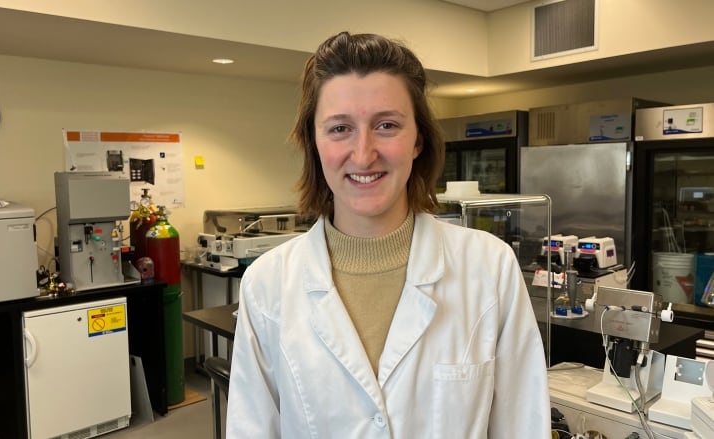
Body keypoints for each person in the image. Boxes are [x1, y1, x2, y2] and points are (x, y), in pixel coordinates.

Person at [226, 31, 550, 438]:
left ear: (418, 140)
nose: (363, 154)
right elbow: (251, 429)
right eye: (340, 128)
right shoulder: (269, 283)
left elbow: (523, 425)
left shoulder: (489, 268)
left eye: (386, 125)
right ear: (314, 142)